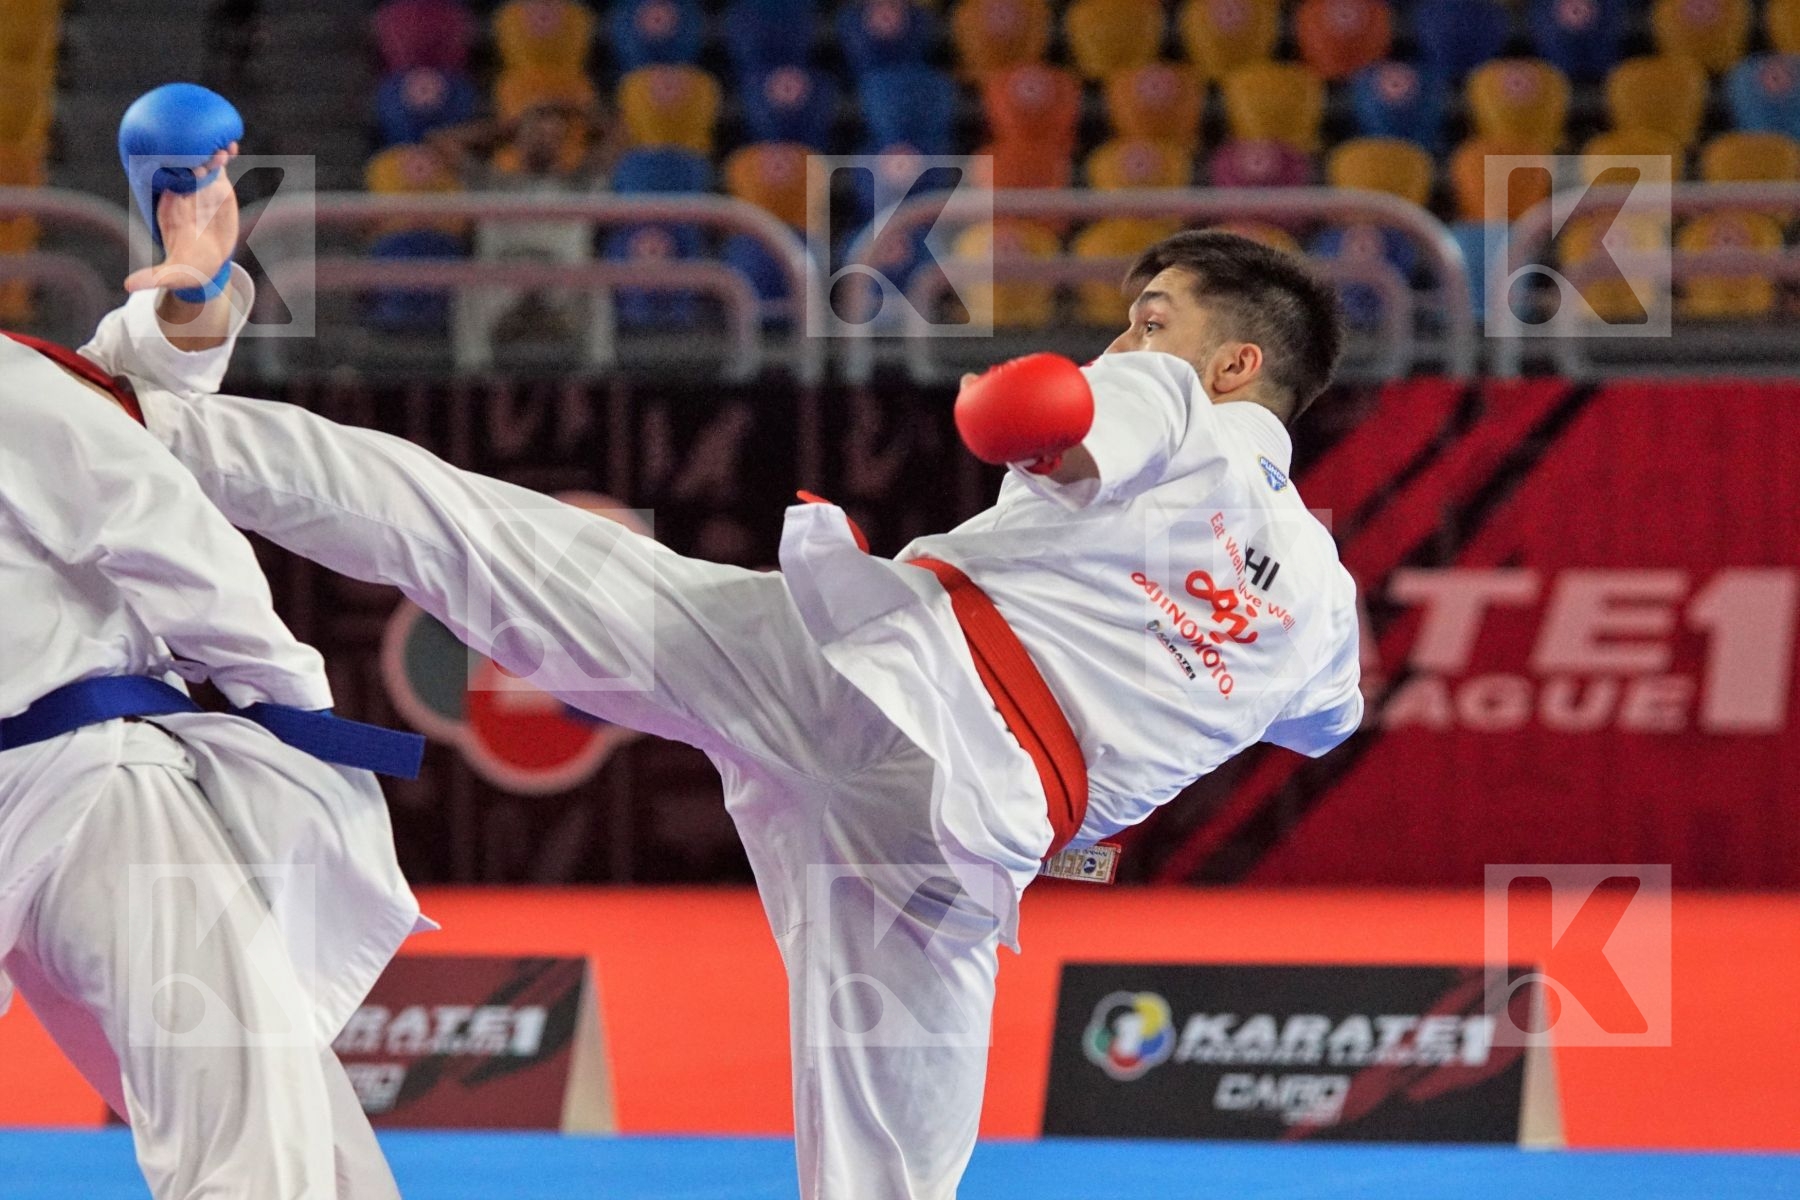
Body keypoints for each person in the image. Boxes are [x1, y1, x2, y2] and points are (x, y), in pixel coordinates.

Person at [139, 226, 1364, 1199]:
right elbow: (1324, 725)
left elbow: (1031, 413)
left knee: (472, 533)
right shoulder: (1324, 600)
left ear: (1234, 362)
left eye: (1152, 317)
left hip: (870, 691)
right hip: (963, 842)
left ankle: (147, 419)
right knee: (895, 1177)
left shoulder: (1174, 401)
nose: (1127, 333)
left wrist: (1021, 406)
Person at [0, 91, 424, 1199]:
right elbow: (168, 529)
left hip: (47, 792)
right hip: (90, 798)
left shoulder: (30, 390)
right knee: (249, 1126)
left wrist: (190, 294)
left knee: (279, 1111)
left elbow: (121, 409)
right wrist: (292, 706)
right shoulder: (12, 390)